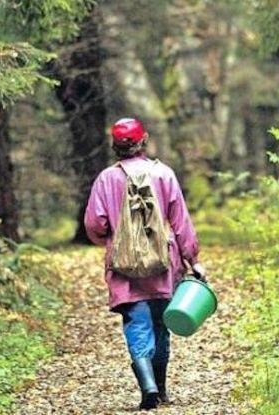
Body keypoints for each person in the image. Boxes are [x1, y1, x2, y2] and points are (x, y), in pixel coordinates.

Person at [84, 117, 206, 410]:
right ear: (144, 140)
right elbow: (181, 223)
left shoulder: (106, 179)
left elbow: (95, 223)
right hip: (164, 265)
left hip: (125, 270)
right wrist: (194, 260)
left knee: (136, 323)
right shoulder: (164, 174)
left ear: (115, 146)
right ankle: (161, 388)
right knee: (162, 325)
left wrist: (112, 240)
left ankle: (147, 386)